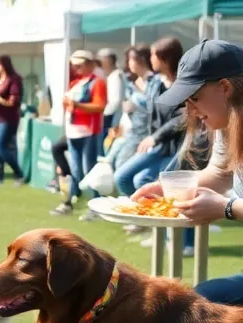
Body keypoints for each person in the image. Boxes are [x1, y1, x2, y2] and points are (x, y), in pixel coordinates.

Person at [122, 41, 243, 323]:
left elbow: (227, 194)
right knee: (205, 302)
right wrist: (164, 186)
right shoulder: (227, 124)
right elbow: (219, 176)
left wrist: (229, 209)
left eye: (195, 95)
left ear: (226, 88)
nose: (189, 106)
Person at [113, 37, 186, 198]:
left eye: (153, 55)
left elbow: (183, 117)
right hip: (156, 145)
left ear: (165, 59)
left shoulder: (184, 85)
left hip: (176, 148)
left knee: (146, 182)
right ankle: (146, 216)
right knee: (122, 178)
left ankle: (167, 221)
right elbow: (149, 110)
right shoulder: (156, 83)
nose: (150, 58)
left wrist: (155, 137)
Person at [51, 51, 108, 216]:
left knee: (90, 169)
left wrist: (76, 105)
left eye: (79, 65)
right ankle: (68, 203)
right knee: (76, 169)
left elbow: (99, 106)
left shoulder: (97, 83)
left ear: (90, 64)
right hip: (73, 131)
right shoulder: (75, 82)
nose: (76, 68)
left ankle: (95, 206)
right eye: (74, 65)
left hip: (89, 131)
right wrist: (69, 105)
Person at [0, 54, 26, 187]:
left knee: (0, 146)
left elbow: (13, 102)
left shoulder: (14, 79)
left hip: (6, 118)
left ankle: (19, 173)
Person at [98, 48, 125, 156]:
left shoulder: (116, 76)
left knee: (108, 147)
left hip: (112, 118)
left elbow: (116, 100)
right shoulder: (112, 75)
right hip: (111, 116)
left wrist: (104, 115)